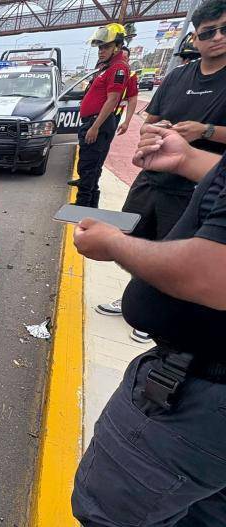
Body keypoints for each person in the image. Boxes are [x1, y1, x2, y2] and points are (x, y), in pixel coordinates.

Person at [72, 123, 226, 527]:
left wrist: (115, 245)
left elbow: (213, 274)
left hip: (194, 393)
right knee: (214, 511)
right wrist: (188, 161)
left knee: (125, 521)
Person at [95, 0, 226, 342]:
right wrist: (154, 131)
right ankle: (133, 299)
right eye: (208, 32)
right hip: (152, 177)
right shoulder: (179, 76)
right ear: (195, 39)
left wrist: (206, 131)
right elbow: (148, 120)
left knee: (172, 250)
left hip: (196, 189)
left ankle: (153, 316)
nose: (217, 38)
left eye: (224, 30)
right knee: (135, 238)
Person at [75, 23, 130, 208]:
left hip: (98, 124)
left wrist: (95, 127)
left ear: (118, 46)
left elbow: (112, 99)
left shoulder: (118, 68)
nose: (101, 51)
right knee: (89, 166)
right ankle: (89, 206)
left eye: (105, 47)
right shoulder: (106, 67)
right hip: (93, 122)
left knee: (89, 167)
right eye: (100, 47)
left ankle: (82, 206)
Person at [115, 46, 139, 136]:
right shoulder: (107, 71)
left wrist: (126, 122)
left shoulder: (130, 76)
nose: (121, 61)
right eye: (119, 58)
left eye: (124, 58)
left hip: (114, 114)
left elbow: (132, 100)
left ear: (128, 60)